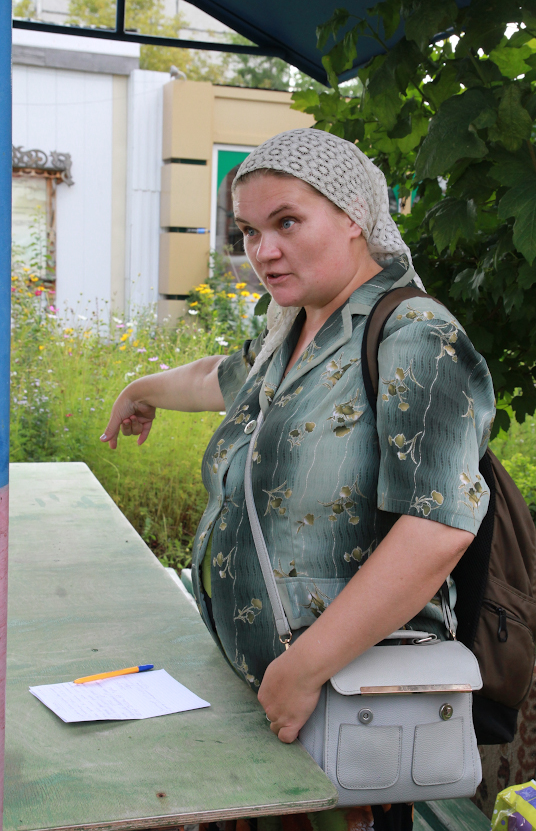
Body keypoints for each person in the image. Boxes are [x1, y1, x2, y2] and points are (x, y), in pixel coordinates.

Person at [101, 129, 495, 831]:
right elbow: (221, 377)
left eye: (286, 222)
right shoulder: (296, 326)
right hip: (272, 697)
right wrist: (141, 388)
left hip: (346, 711)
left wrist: (303, 668)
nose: (263, 251)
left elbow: (436, 528)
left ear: (354, 215)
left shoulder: (414, 333)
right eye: (250, 231)